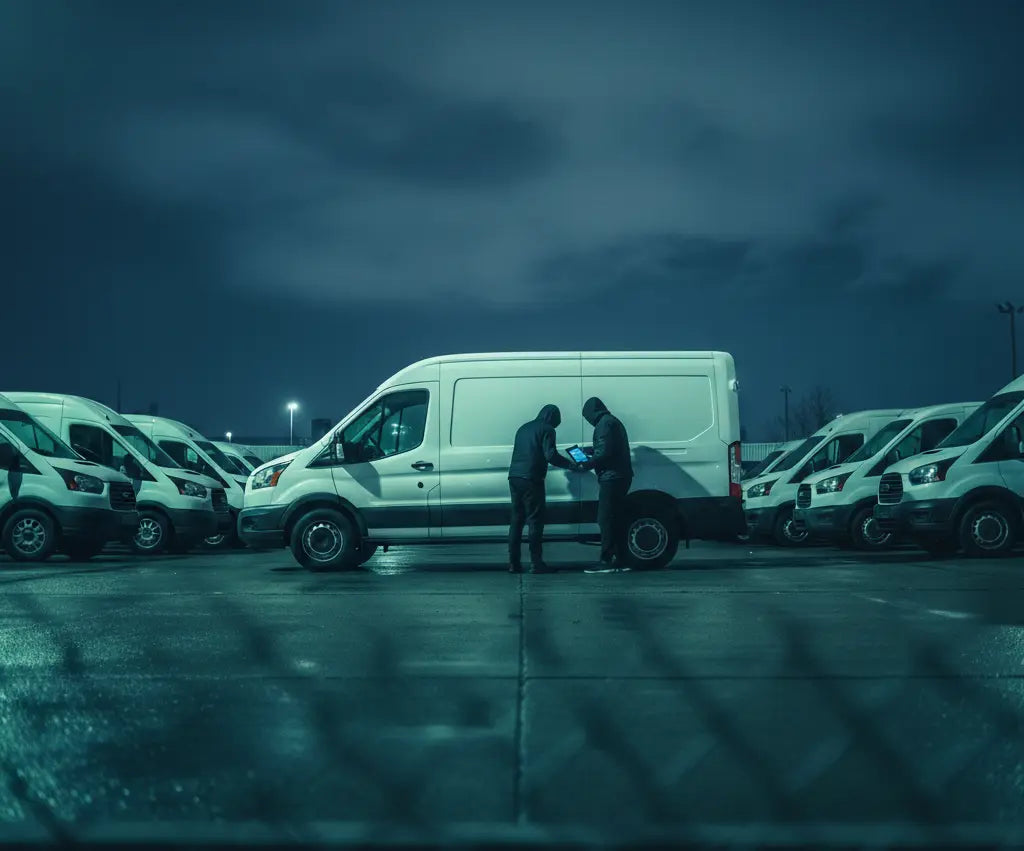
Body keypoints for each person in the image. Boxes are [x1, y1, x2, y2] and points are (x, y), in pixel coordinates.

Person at [507, 404, 576, 574]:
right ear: (552, 417)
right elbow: (550, 455)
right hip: (531, 478)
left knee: (516, 520)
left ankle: (513, 563)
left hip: (514, 477)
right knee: (535, 521)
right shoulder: (547, 429)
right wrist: (570, 465)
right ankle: (536, 563)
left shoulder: (523, 427)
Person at [577, 397, 634, 573]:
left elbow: (604, 453)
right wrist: (591, 451)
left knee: (606, 519)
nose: (588, 421)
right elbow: (608, 448)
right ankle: (621, 559)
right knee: (615, 519)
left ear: (591, 413)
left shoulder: (604, 424)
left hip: (612, 477)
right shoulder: (611, 422)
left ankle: (607, 560)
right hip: (619, 476)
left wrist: (585, 463)